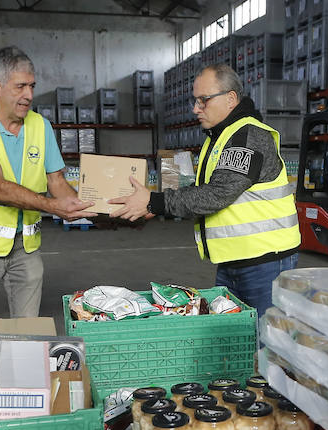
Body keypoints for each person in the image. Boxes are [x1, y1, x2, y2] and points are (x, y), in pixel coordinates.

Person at [109, 63, 300, 316]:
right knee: (232, 339)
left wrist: (154, 202)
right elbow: (207, 189)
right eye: (195, 100)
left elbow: (217, 194)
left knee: (263, 343)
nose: (195, 108)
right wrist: (158, 205)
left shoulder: (247, 136)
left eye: (203, 100)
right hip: (235, 260)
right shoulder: (222, 136)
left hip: (264, 262)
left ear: (231, 99)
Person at [0, 46, 90, 320]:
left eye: (32, 86)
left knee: (29, 330)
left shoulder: (41, 125)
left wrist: (93, 207)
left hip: (26, 247)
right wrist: (54, 207)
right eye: (20, 87)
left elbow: (57, 181)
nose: (29, 95)